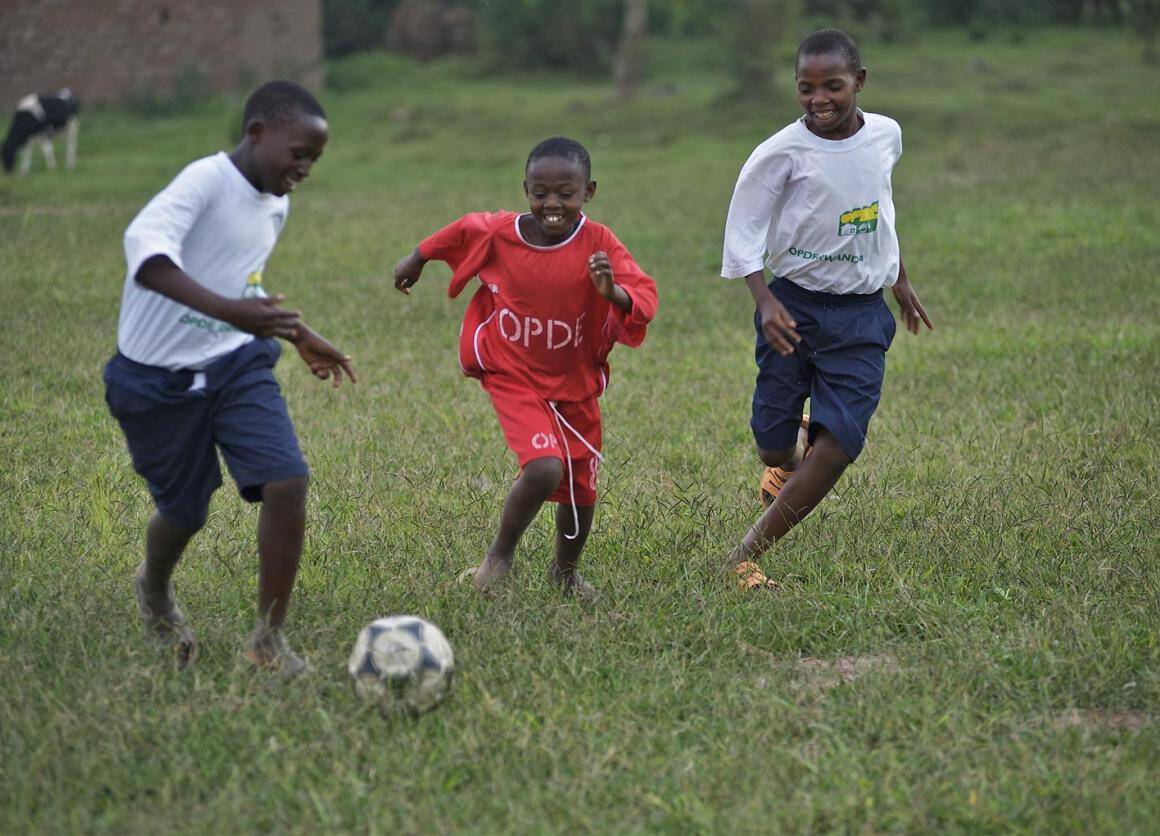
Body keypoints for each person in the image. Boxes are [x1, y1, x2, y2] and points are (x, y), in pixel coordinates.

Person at [103, 80, 356, 673]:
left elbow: (241, 281)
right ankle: (155, 587)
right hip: (155, 381)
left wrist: (294, 331)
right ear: (257, 132)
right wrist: (233, 311)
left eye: (314, 159)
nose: (305, 168)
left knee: (288, 482)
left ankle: (268, 639)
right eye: (298, 153)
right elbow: (146, 255)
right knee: (185, 512)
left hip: (237, 363)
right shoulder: (205, 181)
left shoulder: (276, 203)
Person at [393, 137, 658, 598]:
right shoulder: (502, 233)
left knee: (581, 491)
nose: (552, 204)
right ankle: (499, 556)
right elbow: (461, 230)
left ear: (588, 192)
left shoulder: (599, 243)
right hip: (513, 374)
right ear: (525, 189)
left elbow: (644, 297)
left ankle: (565, 571)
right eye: (540, 193)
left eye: (566, 194)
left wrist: (611, 292)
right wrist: (417, 258)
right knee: (542, 468)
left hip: (574, 384)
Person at [720, 29, 932, 589]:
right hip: (791, 308)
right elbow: (743, 229)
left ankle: (745, 553)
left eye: (833, 86)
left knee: (838, 447)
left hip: (861, 315)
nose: (820, 99)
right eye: (806, 88)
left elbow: (879, 209)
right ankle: (788, 460)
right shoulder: (781, 152)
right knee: (772, 441)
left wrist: (899, 278)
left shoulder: (886, 134)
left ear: (858, 82)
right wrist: (763, 299)